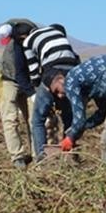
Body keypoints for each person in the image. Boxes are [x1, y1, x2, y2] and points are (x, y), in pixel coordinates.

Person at [20, 21, 81, 160]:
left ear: (23, 36)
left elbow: (34, 69)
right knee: (68, 116)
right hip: (72, 73)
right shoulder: (58, 33)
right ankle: (69, 154)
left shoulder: (28, 42)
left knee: (37, 119)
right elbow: (75, 57)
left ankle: (41, 158)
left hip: (52, 74)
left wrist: (37, 90)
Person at [0, 20, 35, 168]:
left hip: (30, 81)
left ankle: (38, 154)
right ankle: (17, 156)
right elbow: (17, 72)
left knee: (34, 119)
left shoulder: (31, 42)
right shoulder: (11, 48)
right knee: (10, 119)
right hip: (10, 80)